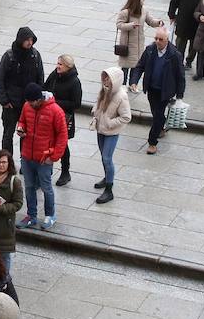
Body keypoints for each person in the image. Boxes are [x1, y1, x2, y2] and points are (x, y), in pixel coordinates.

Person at [14, 83, 67, 231]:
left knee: (46, 187)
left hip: (44, 157)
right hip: (27, 155)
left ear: (40, 99)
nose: (30, 104)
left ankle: (50, 215)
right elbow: (22, 120)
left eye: (33, 102)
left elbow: (62, 135)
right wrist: (21, 128)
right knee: (29, 186)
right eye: (29, 102)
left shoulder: (56, 111)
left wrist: (54, 156)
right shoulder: (27, 106)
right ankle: (31, 215)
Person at [129, 27, 186, 152]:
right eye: (156, 38)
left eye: (161, 39)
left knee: (158, 115)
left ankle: (152, 142)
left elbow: (180, 76)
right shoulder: (150, 50)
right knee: (156, 113)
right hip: (151, 88)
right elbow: (140, 66)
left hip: (165, 90)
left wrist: (180, 95)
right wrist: (134, 81)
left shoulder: (175, 55)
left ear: (167, 40)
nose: (157, 41)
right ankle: (161, 126)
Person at [0, 27, 43, 155]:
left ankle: (25, 160)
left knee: (26, 134)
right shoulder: (9, 56)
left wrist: (37, 99)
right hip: (11, 104)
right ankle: (7, 160)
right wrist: (4, 100)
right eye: (27, 40)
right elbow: (0, 78)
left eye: (31, 40)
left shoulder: (35, 55)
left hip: (29, 104)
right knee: (8, 134)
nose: (30, 43)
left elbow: (40, 77)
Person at [87, 68, 131, 204]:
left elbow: (126, 117)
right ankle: (107, 178)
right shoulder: (105, 90)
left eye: (108, 78)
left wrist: (110, 123)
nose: (105, 80)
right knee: (103, 156)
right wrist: (96, 111)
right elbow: (98, 103)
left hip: (111, 131)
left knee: (107, 158)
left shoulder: (121, 96)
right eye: (104, 77)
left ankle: (109, 190)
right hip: (101, 129)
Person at [44, 55, 82, 187]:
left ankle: (65, 171)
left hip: (64, 117)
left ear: (68, 67)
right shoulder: (54, 75)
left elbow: (76, 103)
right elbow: (45, 87)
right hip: (49, 114)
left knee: (62, 144)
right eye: (57, 63)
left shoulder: (74, 82)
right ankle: (46, 169)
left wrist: (55, 102)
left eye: (61, 64)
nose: (58, 66)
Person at [115, 0, 164, 90]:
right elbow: (119, 24)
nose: (143, 0)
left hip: (139, 42)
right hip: (127, 43)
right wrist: (131, 25)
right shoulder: (125, 12)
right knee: (125, 65)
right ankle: (123, 85)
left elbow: (150, 20)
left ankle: (133, 84)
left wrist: (158, 22)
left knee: (137, 65)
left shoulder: (144, 10)